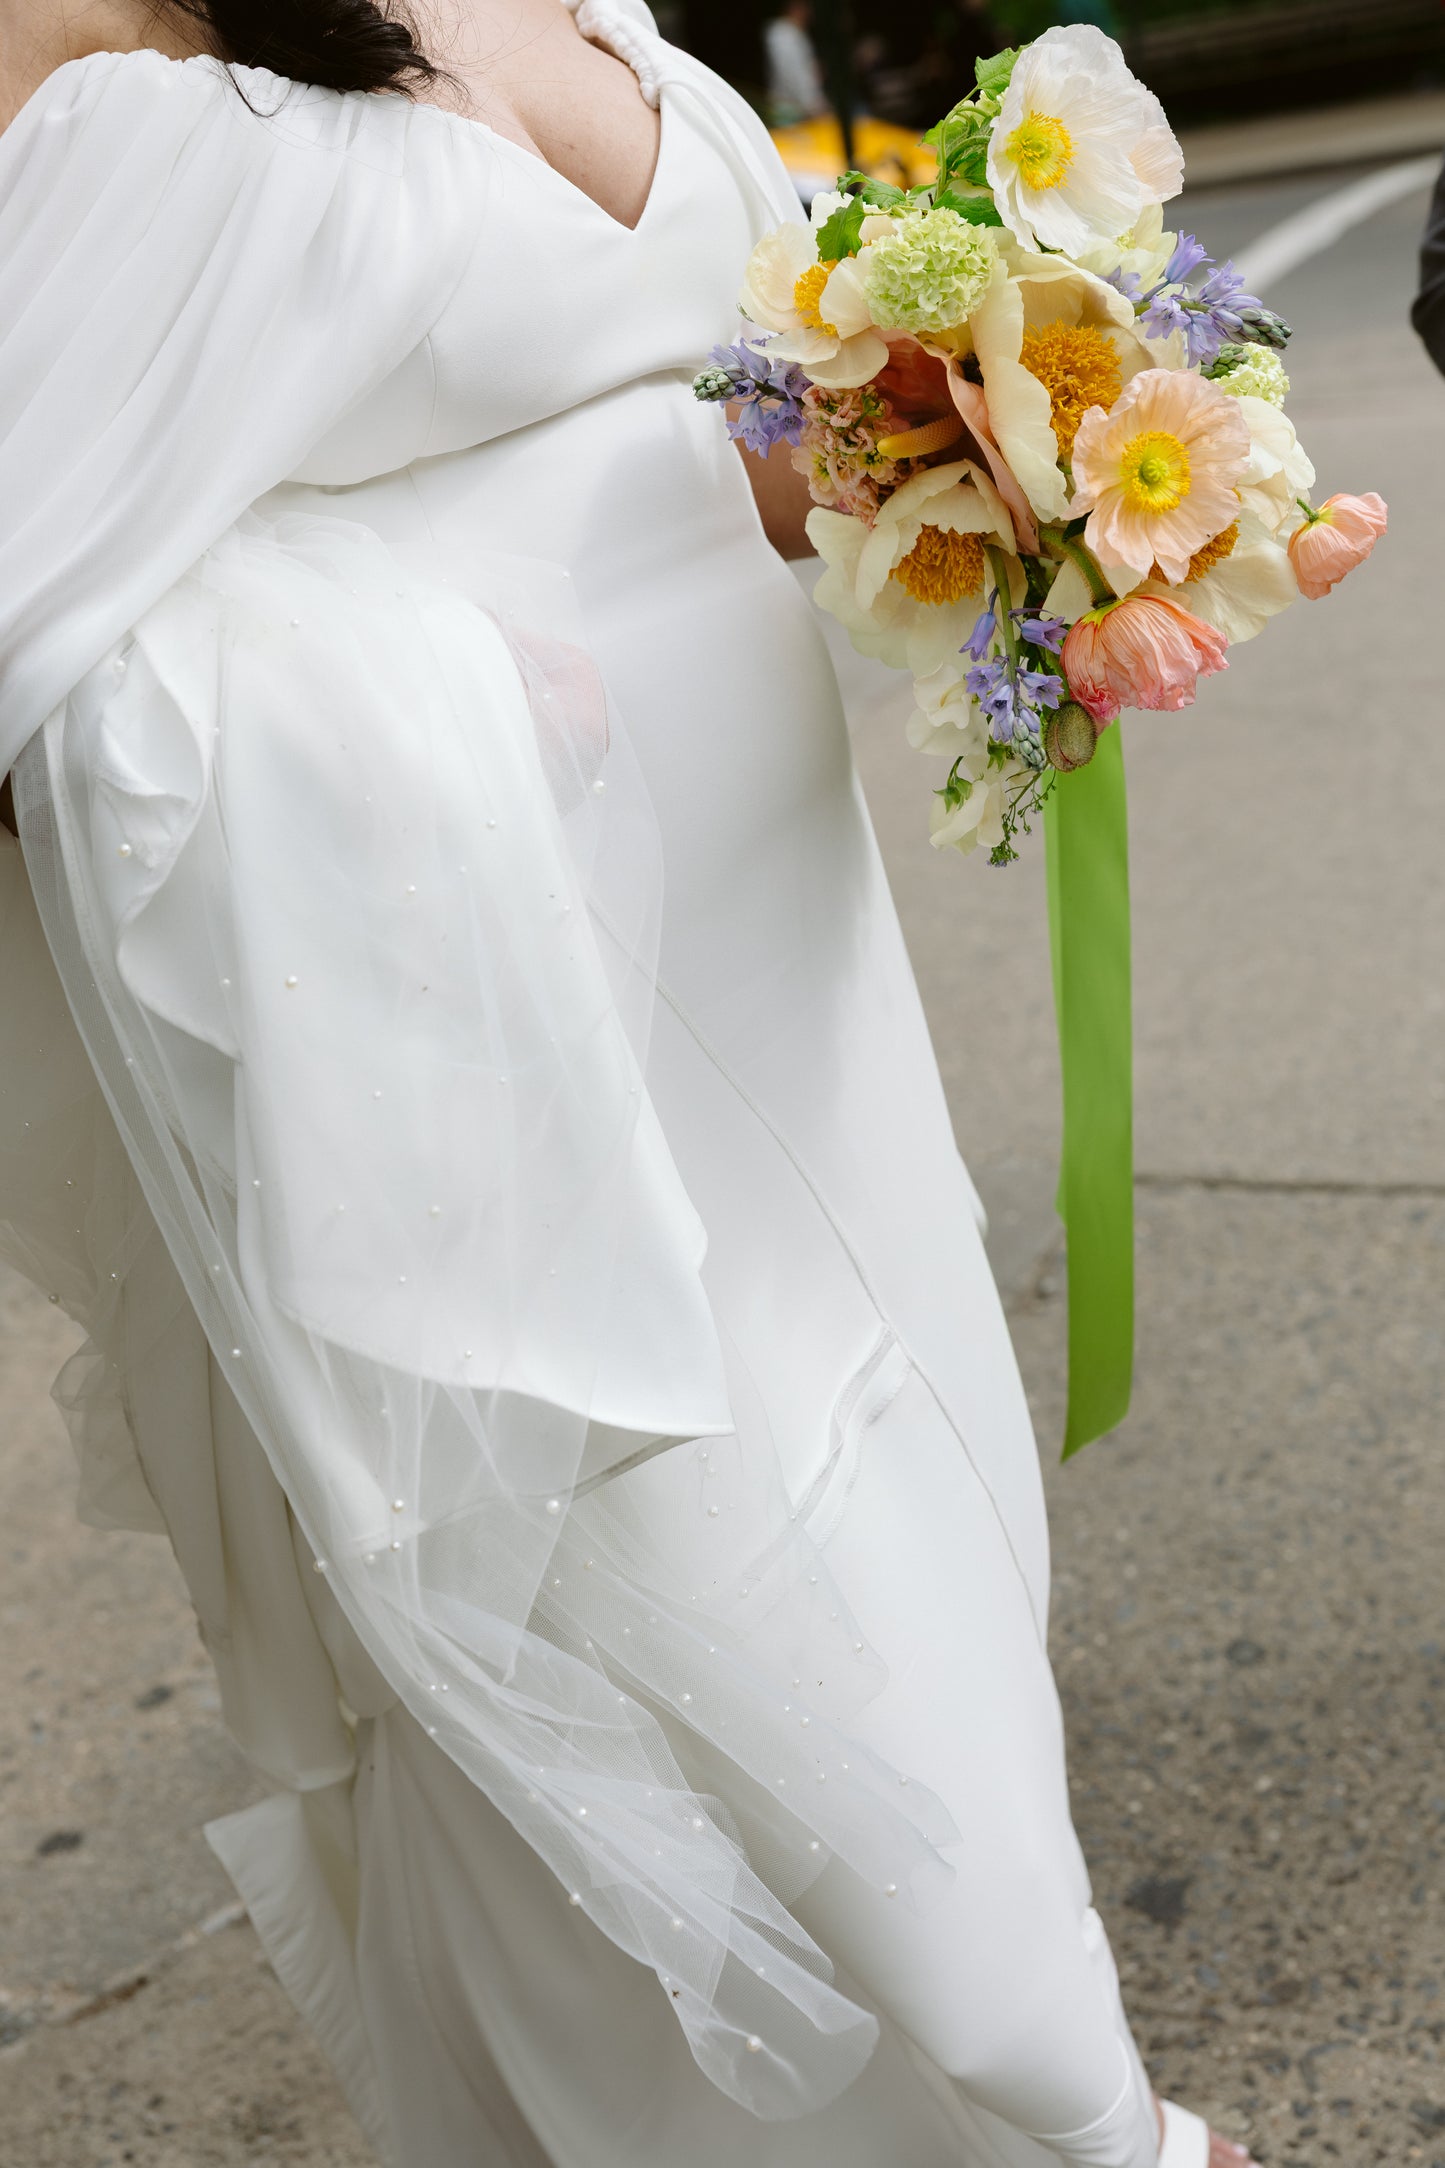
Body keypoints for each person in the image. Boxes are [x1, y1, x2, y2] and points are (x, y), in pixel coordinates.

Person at [0, 2, 1257, 2164]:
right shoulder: (71, 38)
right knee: (709, 1620)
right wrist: (419, 694)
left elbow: (681, 408)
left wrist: (949, 442)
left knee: (922, 1538)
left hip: (794, 971)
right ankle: (1090, 2129)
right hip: (492, 1050)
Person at [764, 0, 829, 123]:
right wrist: (813, 104)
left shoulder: (795, 33)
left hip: (799, 110)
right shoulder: (783, 35)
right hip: (790, 113)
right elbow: (793, 74)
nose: (810, 13)